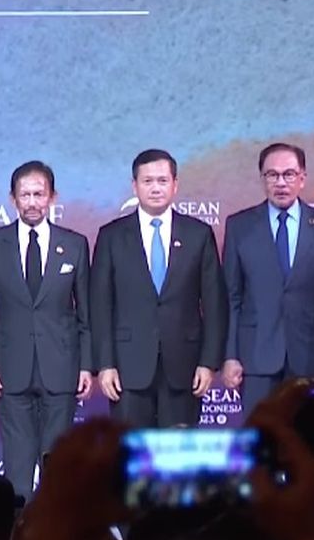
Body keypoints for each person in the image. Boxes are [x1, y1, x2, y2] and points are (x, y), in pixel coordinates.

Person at [91, 149, 227, 427]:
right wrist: (105, 364)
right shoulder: (111, 236)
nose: (155, 188)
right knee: (132, 456)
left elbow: (215, 304)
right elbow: (100, 306)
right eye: (148, 181)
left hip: (184, 367)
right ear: (135, 186)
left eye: (163, 181)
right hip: (127, 368)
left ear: (175, 185)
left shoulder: (198, 234)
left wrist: (209, 362)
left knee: (177, 459)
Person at [0, 161, 92, 499]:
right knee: (16, 468)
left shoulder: (74, 245)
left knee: (58, 467)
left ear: (52, 197)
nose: (32, 202)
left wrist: (87, 365)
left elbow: (86, 313)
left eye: (39, 194)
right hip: (9, 372)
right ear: (13, 199)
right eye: (25, 194)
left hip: (61, 370)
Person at [222, 142, 314, 415]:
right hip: (255, 357)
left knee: (308, 443)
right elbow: (231, 297)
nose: (281, 182)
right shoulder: (239, 226)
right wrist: (230, 355)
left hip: (310, 356)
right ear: (262, 179)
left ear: (302, 178)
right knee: (261, 443)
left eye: (289, 174)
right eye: (272, 175)